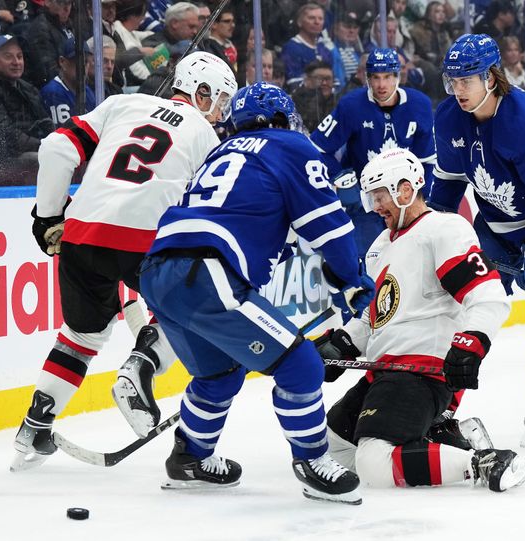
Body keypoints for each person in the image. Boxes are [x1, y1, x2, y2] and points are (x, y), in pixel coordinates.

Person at [137, 82, 376, 503]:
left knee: (219, 373)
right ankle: (313, 462)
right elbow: (330, 227)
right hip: (207, 272)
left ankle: (190, 457)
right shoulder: (291, 146)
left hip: (159, 271)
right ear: (284, 119)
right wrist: (352, 278)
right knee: (301, 365)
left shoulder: (221, 152)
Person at [11, 52, 238, 471]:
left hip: (81, 233)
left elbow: (57, 147)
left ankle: (34, 426)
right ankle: (141, 368)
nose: (221, 111)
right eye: (220, 98)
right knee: (189, 313)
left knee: (82, 335)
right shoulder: (207, 138)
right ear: (200, 91)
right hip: (145, 238)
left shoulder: (123, 104)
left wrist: (48, 214)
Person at [319, 147, 525, 491]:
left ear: (405, 190)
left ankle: (483, 462)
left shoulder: (443, 229)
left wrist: (471, 344)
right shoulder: (380, 246)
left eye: (380, 195)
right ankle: (440, 434)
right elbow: (373, 315)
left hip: (422, 371)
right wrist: (343, 342)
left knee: (374, 463)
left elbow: (488, 296)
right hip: (385, 371)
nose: (376, 206)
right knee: (332, 446)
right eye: (372, 197)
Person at [430, 34, 525, 450]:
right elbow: (446, 186)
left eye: (466, 81)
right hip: (495, 228)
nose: (457, 90)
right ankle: (441, 405)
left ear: (492, 78)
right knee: (465, 307)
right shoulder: (448, 117)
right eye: (452, 81)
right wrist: (428, 230)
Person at [309, 48, 436, 255]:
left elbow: (427, 159)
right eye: (375, 77)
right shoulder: (351, 105)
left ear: (398, 76)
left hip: (405, 200)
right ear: (366, 78)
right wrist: (341, 175)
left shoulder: (419, 105)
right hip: (367, 200)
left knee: (411, 260)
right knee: (369, 260)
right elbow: (317, 149)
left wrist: (423, 199)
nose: (381, 85)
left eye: (387, 77)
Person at [0, 34, 53, 186]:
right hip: (1, 162)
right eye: (8, 57)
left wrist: (58, 141)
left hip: (32, 150)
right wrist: (43, 145)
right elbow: (7, 135)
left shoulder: (28, 88)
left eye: (19, 56)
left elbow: (45, 122)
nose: (16, 62)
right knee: (39, 160)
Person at [40, 38, 96, 126]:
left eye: (85, 62)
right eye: (77, 61)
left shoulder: (87, 91)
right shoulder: (53, 92)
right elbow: (63, 135)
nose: (82, 67)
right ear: (62, 62)